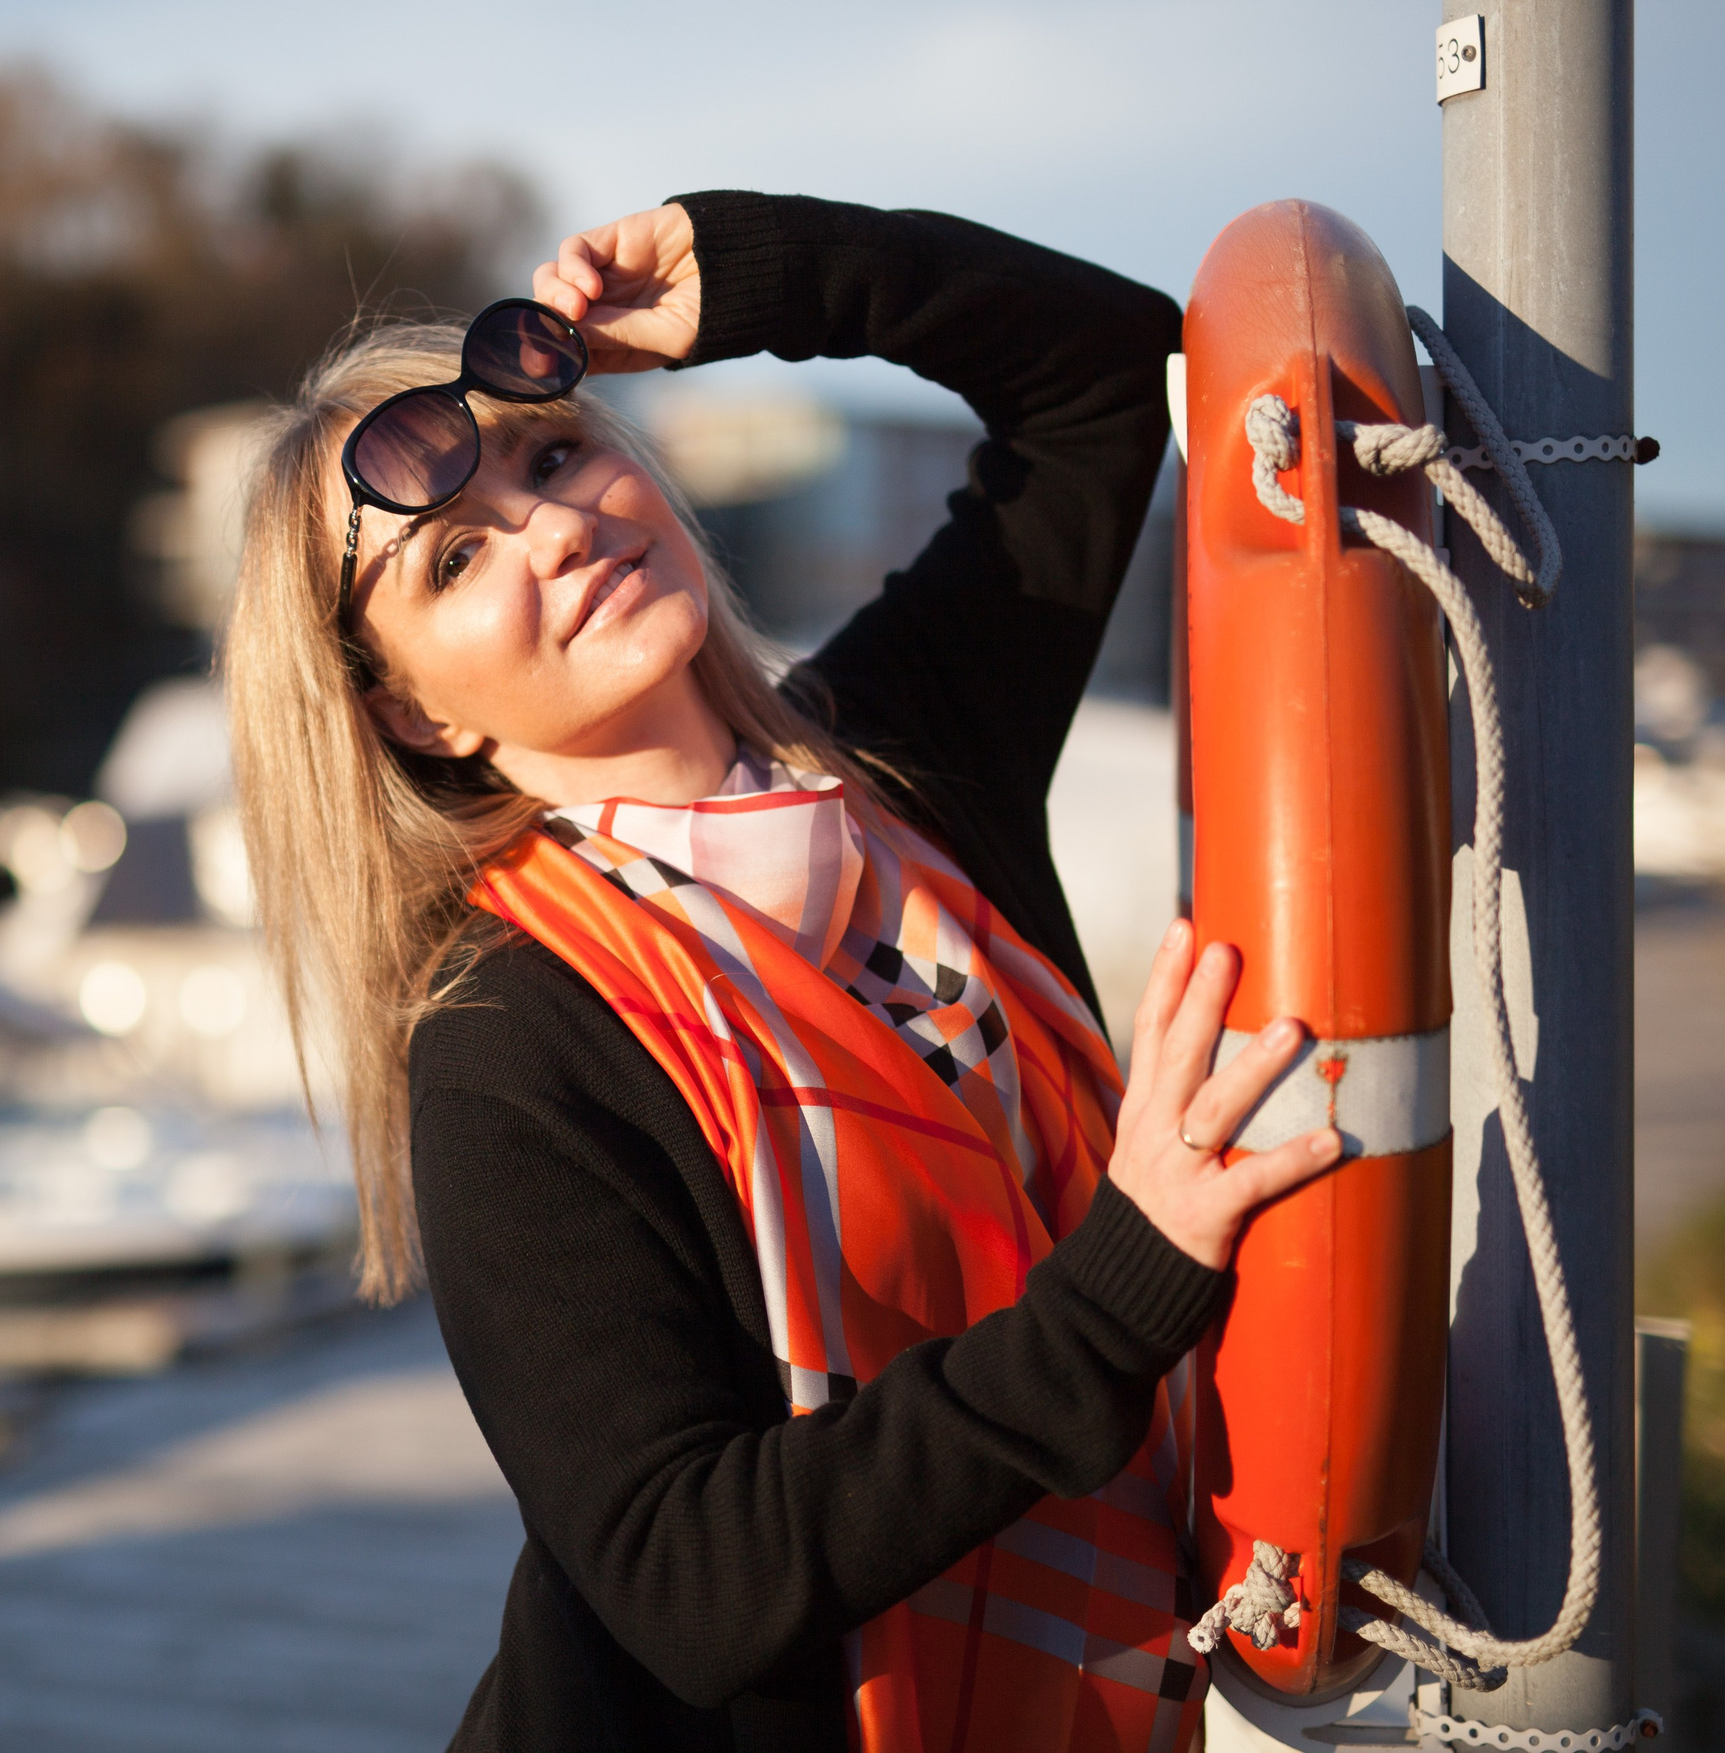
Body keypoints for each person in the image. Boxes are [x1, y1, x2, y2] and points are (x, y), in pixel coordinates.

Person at [221, 192, 1343, 1753]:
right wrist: (1125, 1277)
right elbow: (693, 1580)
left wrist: (760, 276)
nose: (556, 524)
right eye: (458, 557)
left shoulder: (905, 752)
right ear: (418, 715)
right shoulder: (511, 1036)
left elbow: (1102, 375)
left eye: (554, 453)